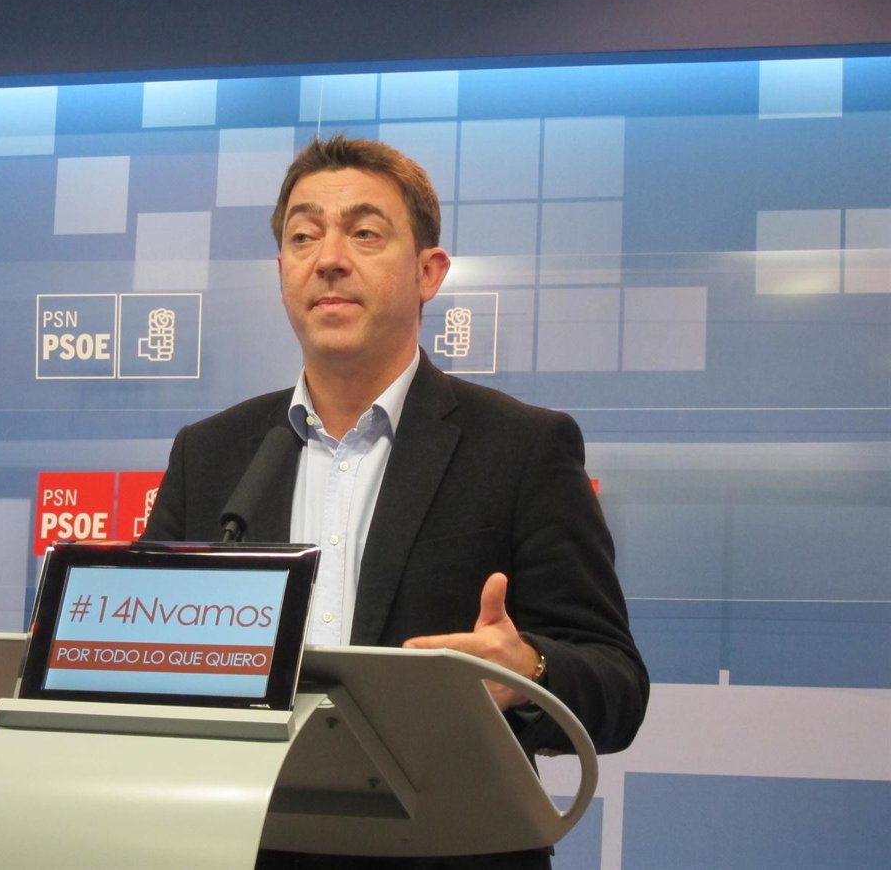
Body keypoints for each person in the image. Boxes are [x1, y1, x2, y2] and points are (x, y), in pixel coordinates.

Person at [142, 135, 648, 869]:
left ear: (428, 272)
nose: (329, 258)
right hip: (243, 848)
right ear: (282, 271)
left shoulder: (522, 448)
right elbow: (146, 670)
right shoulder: (210, 454)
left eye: (365, 233)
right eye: (303, 236)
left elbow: (617, 688)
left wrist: (527, 671)